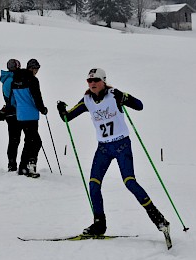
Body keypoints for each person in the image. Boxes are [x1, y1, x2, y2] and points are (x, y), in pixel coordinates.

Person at [57, 68, 170, 236]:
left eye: (96, 80)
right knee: (94, 185)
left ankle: (158, 218)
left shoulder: (113, 95)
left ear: (103, 81)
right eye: (89, 81)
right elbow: (67, 118)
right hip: (103, 148)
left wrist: (125, 97)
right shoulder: (87, 100)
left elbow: (139, 106)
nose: (92, 83)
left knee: (130, 182)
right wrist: (62, 110)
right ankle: (99, 225)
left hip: (121, 145)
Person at [11, 58, 48, 178]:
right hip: (31, 115)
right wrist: (43, 109)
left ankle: (24, 167)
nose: (36, 71)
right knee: (35, 142)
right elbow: (37, 97)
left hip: (20, 115)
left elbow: (13, 98)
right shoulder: (32, 80)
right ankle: (29, 167)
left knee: (30, 141)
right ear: (31, 68)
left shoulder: (15, 80)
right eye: (36, 69)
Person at [0, 59, 22, 172]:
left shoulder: (7, 79)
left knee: (13, 139)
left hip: (11, 112)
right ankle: (12, 164)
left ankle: (12, 164)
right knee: (15, 140)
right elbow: (14, 98)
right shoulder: (13, 80)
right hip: (15, 112)